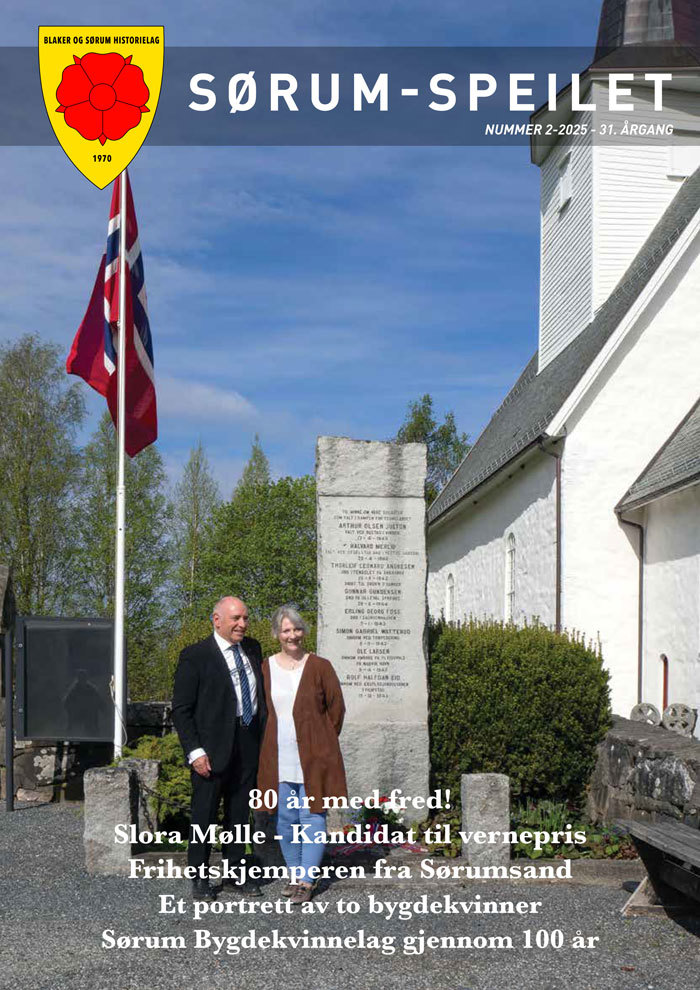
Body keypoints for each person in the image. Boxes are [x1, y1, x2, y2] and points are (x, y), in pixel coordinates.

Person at [172, 596, 266, 900]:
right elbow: (181, 709)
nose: (242, 624)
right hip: (210, 749)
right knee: (204, 814)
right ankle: (199, 876)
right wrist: (195, 751)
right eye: (236, 618)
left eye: (245, 618)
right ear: (217, 620)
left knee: (239, 813)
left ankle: (235, 873)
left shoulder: (253, 649)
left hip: (248, 743)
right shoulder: (195, 656)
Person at [258, 605, 347, 903]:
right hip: (278, 755)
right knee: (285, 819)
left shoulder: (320, 666)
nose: (292, 635)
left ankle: (307, 881)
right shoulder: (266, 667)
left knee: (312, 815)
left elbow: (336, 710)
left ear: (303, 631)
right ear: (276, 634)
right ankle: (295, 875)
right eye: (286, 630)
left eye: (297, 629)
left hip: (313, 756)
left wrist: (320, 741)